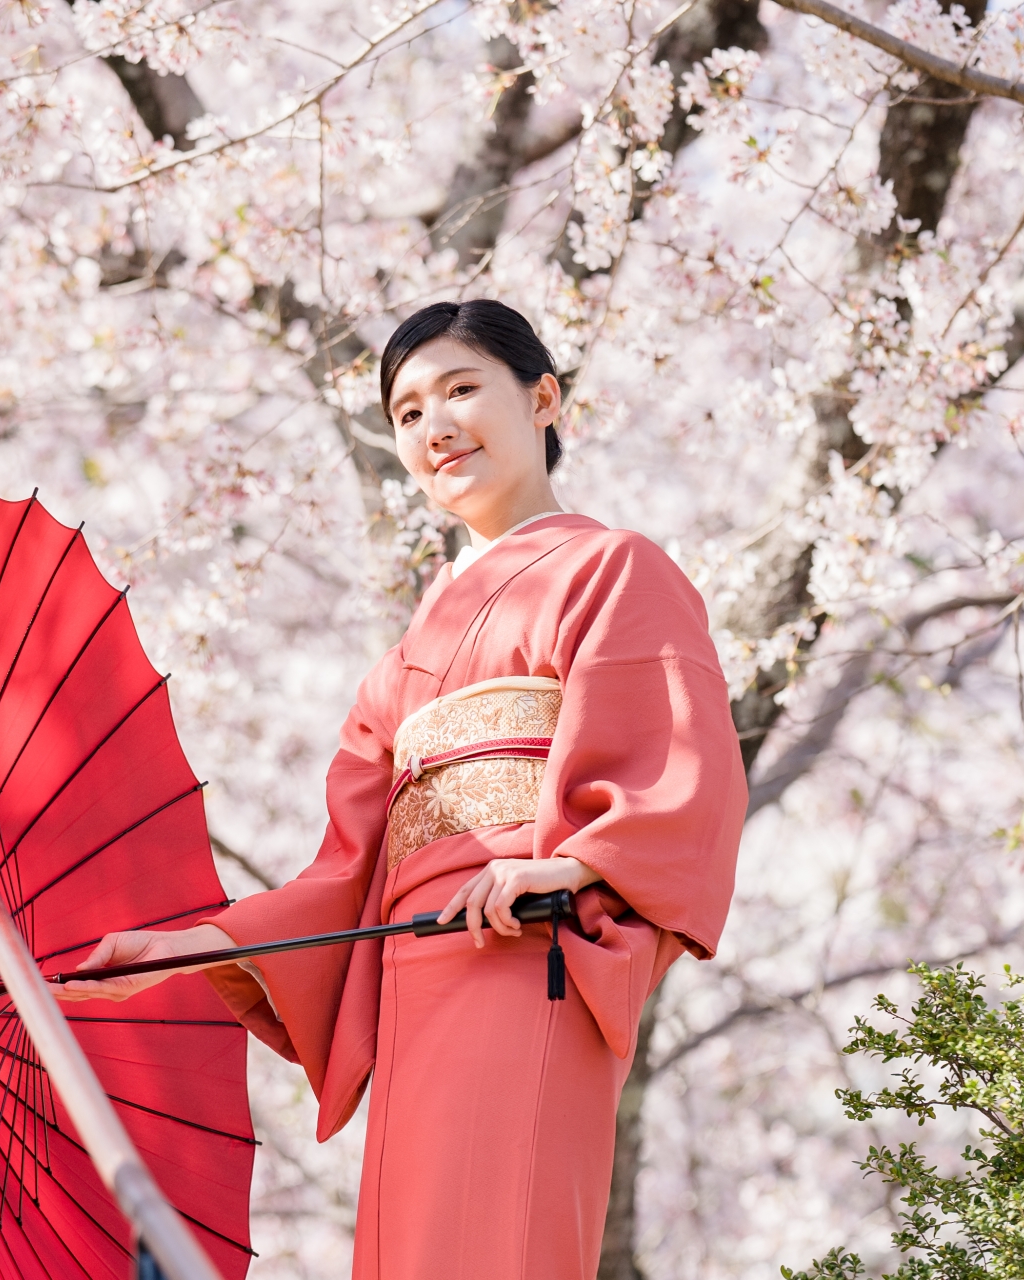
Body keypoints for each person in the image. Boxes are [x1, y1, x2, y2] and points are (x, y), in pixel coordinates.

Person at [59, 299, 746, 1278]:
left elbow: (682, 768)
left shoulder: (614, 568)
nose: (435, 426)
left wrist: (569, 862)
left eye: (462, 389)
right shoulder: (399, 666)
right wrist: (189, 944)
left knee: (495, 1237)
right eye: (408, 411)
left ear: (542, 396)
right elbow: (344, 875)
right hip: (414, 981)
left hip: (529, 948)